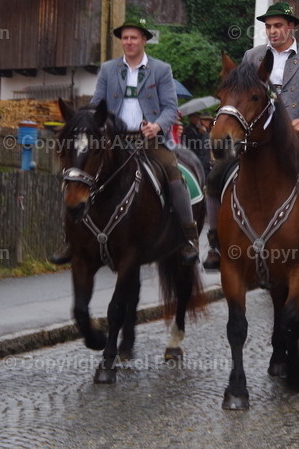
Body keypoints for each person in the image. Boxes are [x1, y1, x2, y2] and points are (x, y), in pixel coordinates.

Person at [203, 2, 299, 272]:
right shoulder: (252, 56)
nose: (272, 32)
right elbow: (239, 95)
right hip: (256, 139)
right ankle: (215, 244)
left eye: (277, 26)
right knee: (215, 177)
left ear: (291, 27)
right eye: (268, 27)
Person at [52, 18, 199, 264]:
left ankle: (189, 236)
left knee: (173, 172)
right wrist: (85, 121)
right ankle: (71, 240)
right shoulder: (109, 69)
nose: (129, 42)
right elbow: (96, 103)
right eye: (125, 38)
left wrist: (157, 125)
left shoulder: (161, 69)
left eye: (134, 38)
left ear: (144, 40)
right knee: (77, 174)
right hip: (114, 140)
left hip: (148, 139)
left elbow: (171, 108)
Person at [182, 111, 212, 177]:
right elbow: (194, 143)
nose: (197, 119)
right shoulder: (188, 129)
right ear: (190, 118)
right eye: (195, 117)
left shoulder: (198, 128)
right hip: (194, 156)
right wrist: (202, 134)